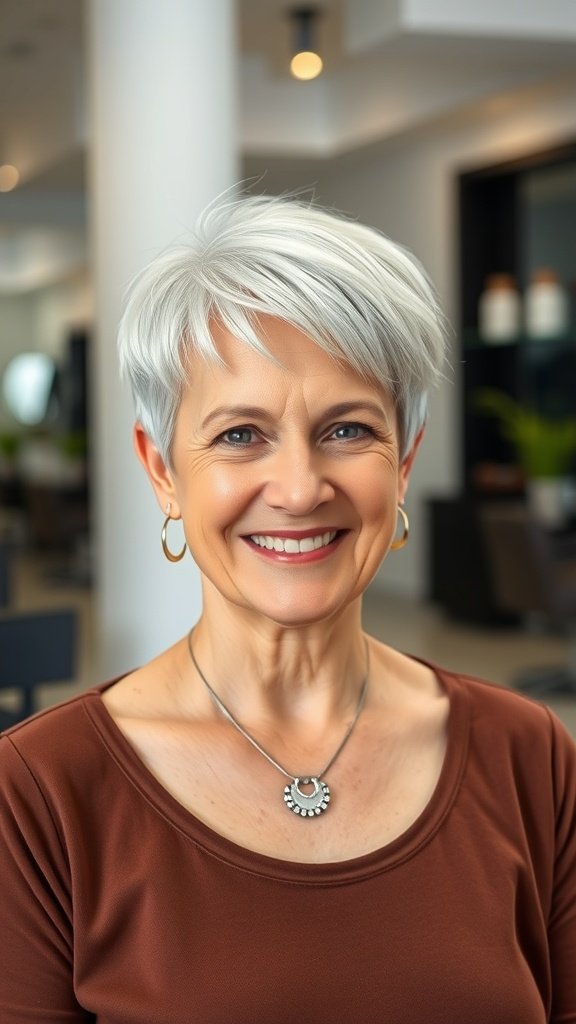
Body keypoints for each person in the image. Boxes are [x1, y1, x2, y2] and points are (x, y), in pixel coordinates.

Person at [1, 193, 575, 1024]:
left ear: (403, 464)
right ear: (162, 470)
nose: (301, 489)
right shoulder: (40, 795)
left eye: (348, 430)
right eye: (240, 435)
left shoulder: (531, 757)